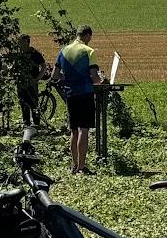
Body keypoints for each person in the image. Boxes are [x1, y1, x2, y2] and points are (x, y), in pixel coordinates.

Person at [56, 24, 102, 175]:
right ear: (88, 36)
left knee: (73, 130)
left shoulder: (63, 51)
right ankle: (82, 166)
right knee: (83, 130)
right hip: (85, 93)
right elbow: (94, 77)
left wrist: (68, 80)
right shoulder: (89, 51)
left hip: (70, 94)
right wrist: (103, 81)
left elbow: (56, 75)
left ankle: (74, 165)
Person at [13, 34, 47, 127]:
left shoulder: (35, 53)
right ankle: (26, 123)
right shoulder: (18, 54)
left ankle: (36, 123)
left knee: (33, 103)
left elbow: (44, 67)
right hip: (21, 83)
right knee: (23, 103)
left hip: (32, 83)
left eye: (21, 42)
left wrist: (37, 79)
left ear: (26, 42)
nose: (19, 44)